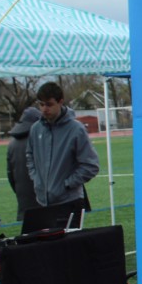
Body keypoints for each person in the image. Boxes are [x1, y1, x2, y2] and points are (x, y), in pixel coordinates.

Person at [26, 82, 100, 212]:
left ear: (60, 102)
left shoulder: (76, 129)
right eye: (41, 104)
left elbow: (91, 165)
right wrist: (36, 179)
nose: (44, 109)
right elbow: (29, 156)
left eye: (49, 104)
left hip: (70, 201)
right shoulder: (35, 129)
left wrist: (67, 184)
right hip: (42, 202)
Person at [6, 107, 41, 221]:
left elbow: (10, 176)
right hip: (44, 204)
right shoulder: (39, 140)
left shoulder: (12, 144)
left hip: (24, 203)